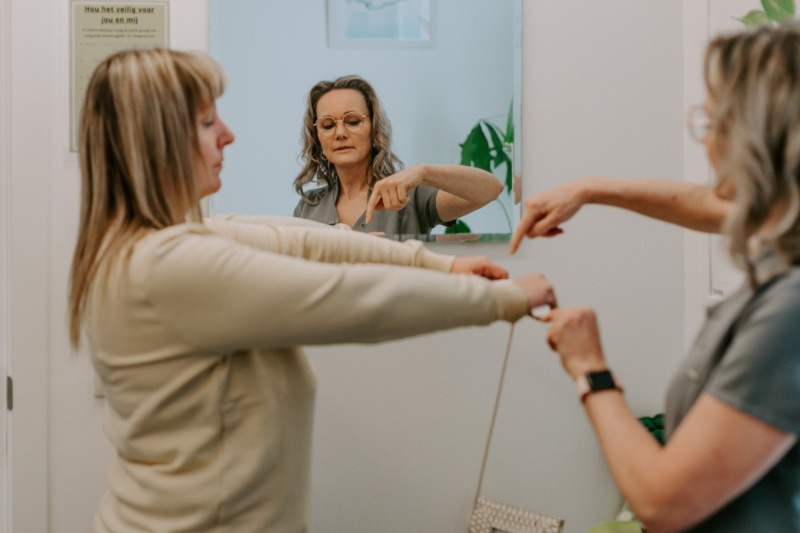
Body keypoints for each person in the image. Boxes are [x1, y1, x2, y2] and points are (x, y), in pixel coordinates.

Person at [68, 48, 555, 532]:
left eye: (352, 121)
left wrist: (432, 264)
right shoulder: (171, 264)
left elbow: (310, 243)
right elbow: (347, 297)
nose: (228, 134)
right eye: (206, 121)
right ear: (158, 141)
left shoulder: (178, 240)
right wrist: (503, 299)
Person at [513, 24, 800, 531]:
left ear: (758, 140)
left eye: (711, 123)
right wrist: (591, 189)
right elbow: (721, 207)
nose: (707, 145)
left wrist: (589, 366)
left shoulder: (788, 311)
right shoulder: (781, 245)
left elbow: (662, 503)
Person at [293, 75, 504, 234]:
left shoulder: (410, 196)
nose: (340, 133)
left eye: (353, 121)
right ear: (317, 137)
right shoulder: (308, 208)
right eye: (328, 125)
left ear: (373, 128)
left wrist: (423, 172)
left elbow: (491, 189)